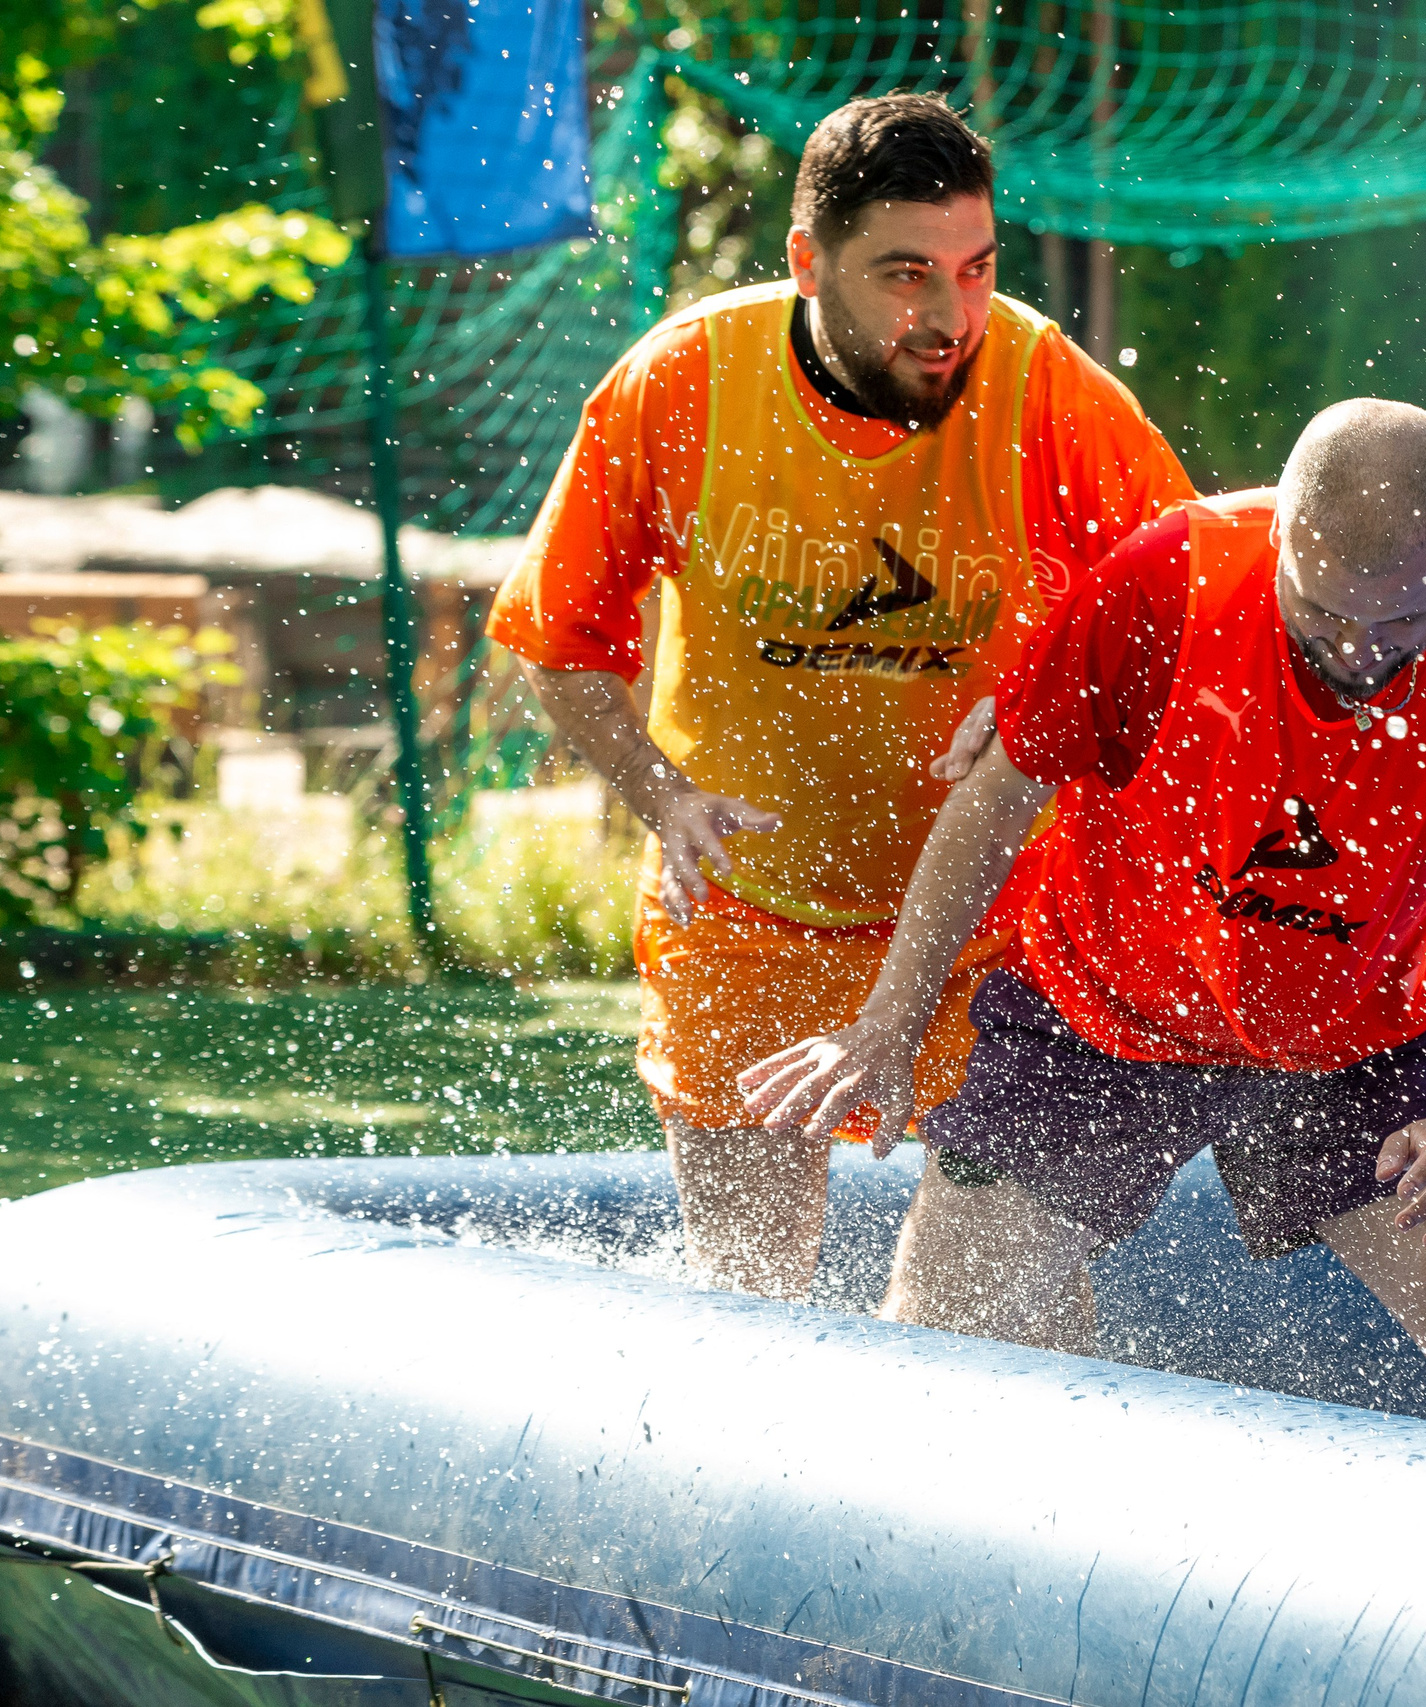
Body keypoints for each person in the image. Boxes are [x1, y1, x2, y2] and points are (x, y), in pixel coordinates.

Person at [740, 399, 1426, 1452]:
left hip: (1358, 1043)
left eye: (1399, 626)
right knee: (938, 1347)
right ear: (1283, 538)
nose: (1356, 655)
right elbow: (994, 802)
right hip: (1093, 1016)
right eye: (1322, 615)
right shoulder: (1167, 579)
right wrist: (888, 1021)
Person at [486, 94, 1195, 1302]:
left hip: (997, 924)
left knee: (991, 1304)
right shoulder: (684, 385)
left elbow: (1187, 602)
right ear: (807, 260)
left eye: (975, 271)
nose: (950, 318)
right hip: (745, 908)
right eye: (905, 275)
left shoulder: (1042, 392)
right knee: (748, 1294)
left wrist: (1048, 702)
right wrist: (661, 796)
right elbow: (559, 637)